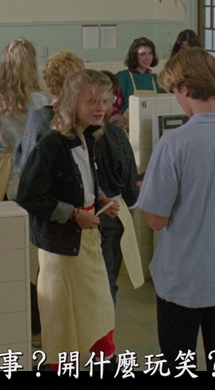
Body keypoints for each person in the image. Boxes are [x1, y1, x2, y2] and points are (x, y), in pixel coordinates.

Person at [137, 47, 215, 372]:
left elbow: (155, 220)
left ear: (184, 88)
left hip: (183, 281)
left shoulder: (174, 143)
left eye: (174, 92)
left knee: (179, 364)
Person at [16, 69, 120, 368]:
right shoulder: (51, 144)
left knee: (99, 308)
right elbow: (29, 197)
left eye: (104, 101)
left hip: (86, 240)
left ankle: (104, 358)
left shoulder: (89, 136)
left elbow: (81, 181)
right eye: (92, 101)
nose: (101, 108)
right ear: (72, 102)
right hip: (61, 248)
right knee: (62, 318)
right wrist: (74, 215)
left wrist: (100, 200)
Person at [12, 49, 86, 350]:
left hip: (47, 210)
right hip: (78, 210)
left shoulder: (42, 119)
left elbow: (25, 164)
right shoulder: (81, 120)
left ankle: (45, 335)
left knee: (43, 274)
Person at [0, 37, 47, 202]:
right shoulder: (40, 100)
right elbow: (43, 141)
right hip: (30, 173)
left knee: (0, 217)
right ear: (33, 66)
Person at [94, 71, 142, 305]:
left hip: (82, 216)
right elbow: (129, 179)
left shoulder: (68, 134)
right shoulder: (115, 135)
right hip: (113, 213)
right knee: (108, 280)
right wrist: (130, 209)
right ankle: (106, 323)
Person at [116, 37, 163, 119]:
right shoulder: (123, 77)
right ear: (134, 56)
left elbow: (163, 105)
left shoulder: (156, 79)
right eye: (142, 54)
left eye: (150, 53)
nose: (147, 58)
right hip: (127, 124)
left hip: (150, 123)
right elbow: (114, 107)